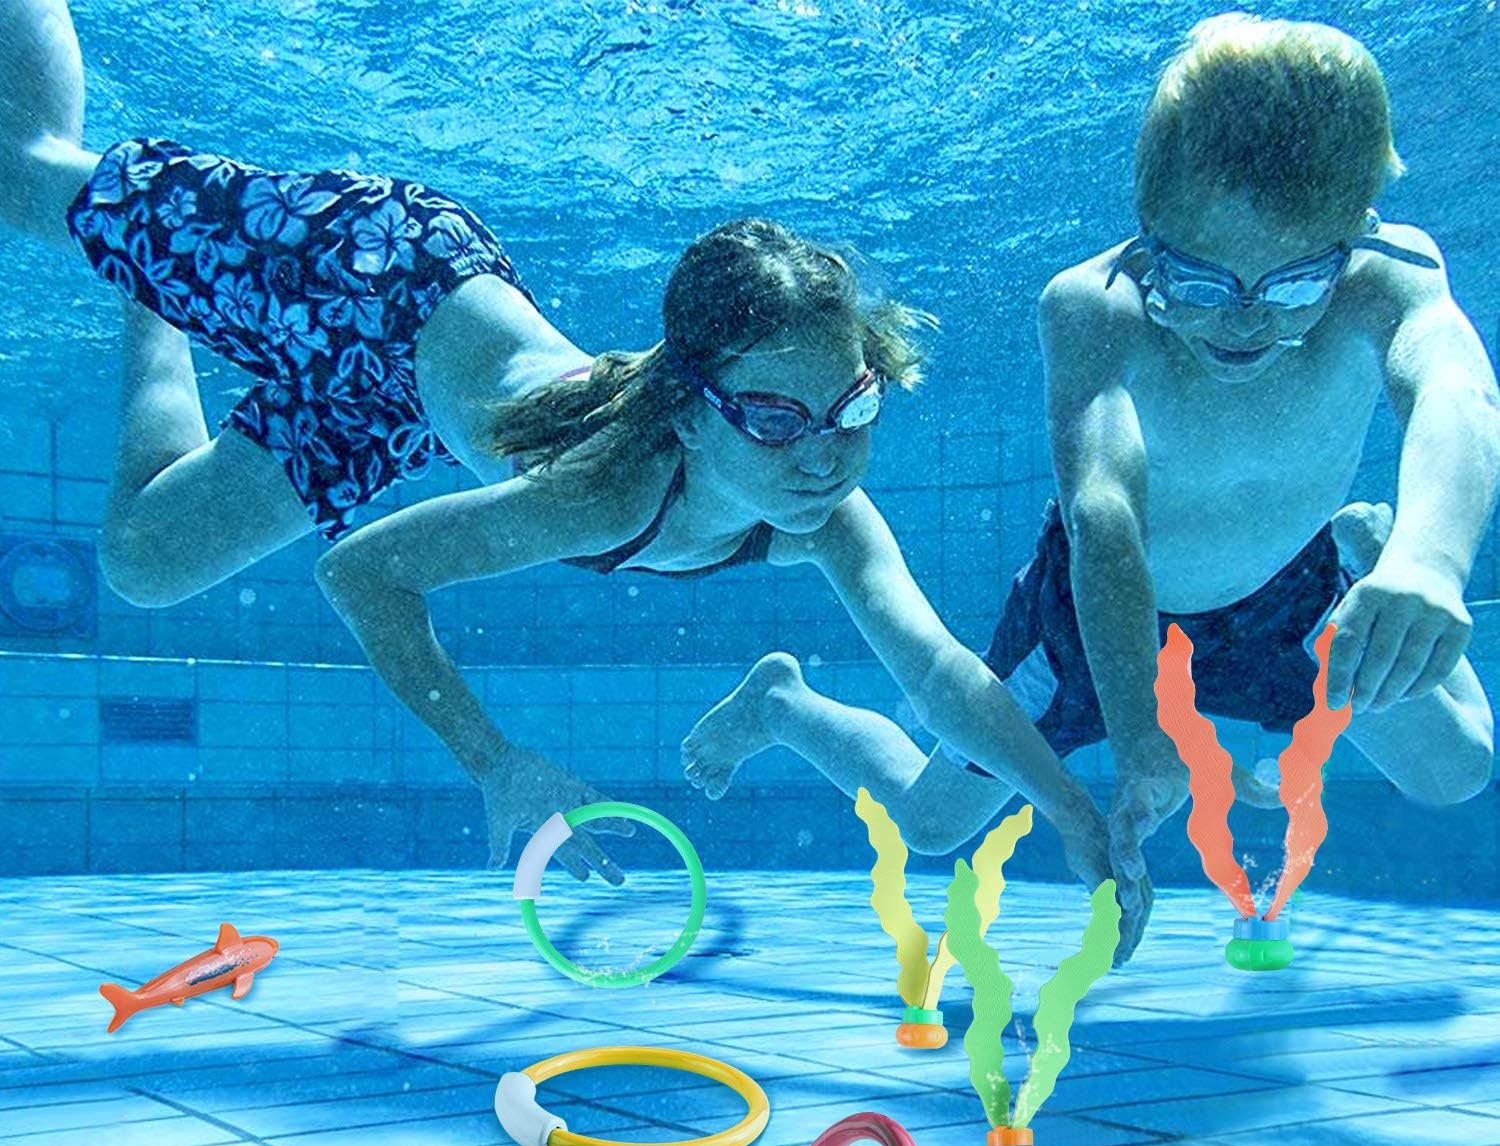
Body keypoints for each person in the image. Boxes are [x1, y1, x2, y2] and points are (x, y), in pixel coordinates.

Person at [0, 0, 1146, 947]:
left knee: (144, 561)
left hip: (398, 402)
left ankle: (149, 289)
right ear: (690, 413)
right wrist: (495, 763)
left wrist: (1073, 812)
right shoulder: (605, 491)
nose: (822, 452)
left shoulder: (829, 512)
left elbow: (939, 672)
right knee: (26, 173)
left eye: (853, 408)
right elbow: (362, 573)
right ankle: (127, 231)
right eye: (774, 418)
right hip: (369, 274)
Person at [690, 10, 1497, 926]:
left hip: (1288, 587)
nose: (1243, 320)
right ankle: (783, 704)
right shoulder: (1096, 309)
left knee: (1458, 770)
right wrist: (1139, 728)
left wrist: (1429, 563)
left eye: (1294, 284)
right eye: (1199, 282)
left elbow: (1455, 387)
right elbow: (1104, 517)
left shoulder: (1388, 278)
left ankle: (1377, 560)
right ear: (1148, 233)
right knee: (931, 821)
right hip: (1095, 617)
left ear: (1356, 234)